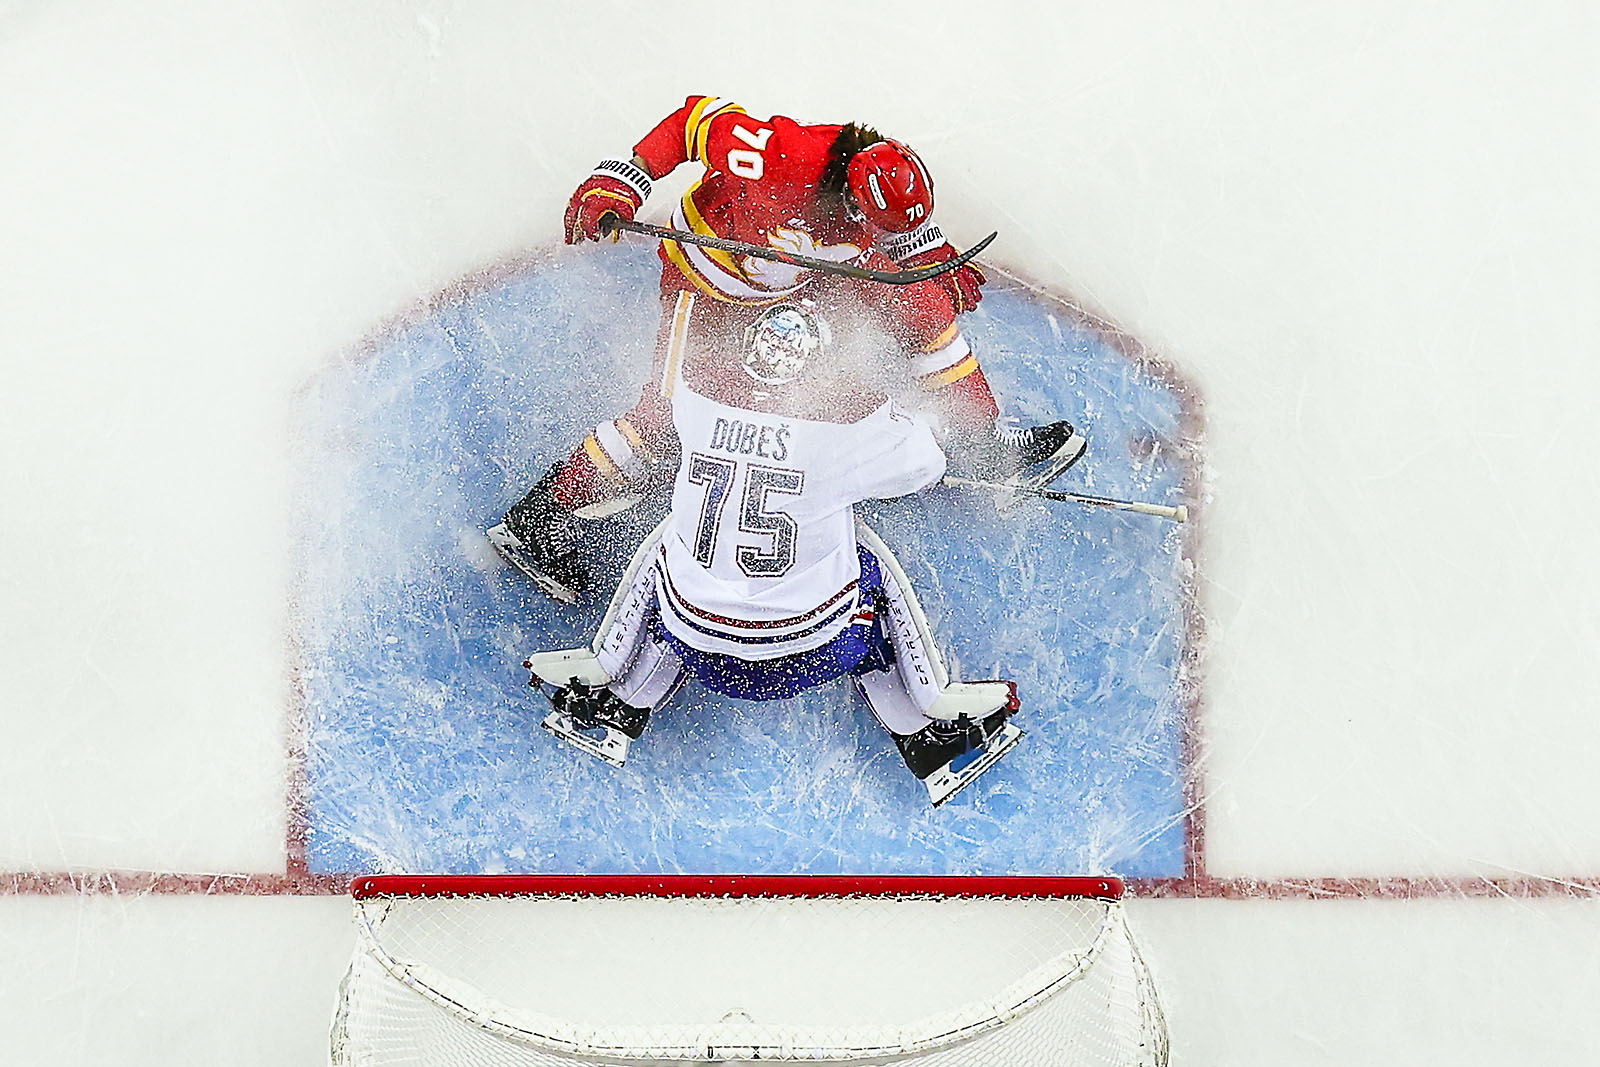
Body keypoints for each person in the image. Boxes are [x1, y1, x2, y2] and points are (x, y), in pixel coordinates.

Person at [489, 94, 1085, 603]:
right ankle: (539, 518)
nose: (889, 242)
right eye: (881, 231)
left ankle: (982, 442)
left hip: (799, 274)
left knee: (923, 312)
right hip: (709, 278)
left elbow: (902, 236)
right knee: (665, 420)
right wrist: (622, 178)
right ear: (849, 201)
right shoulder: (781, 153)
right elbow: (691, 120)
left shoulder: (871, 200)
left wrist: (926, 255)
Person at [523, 302, 1023, 806]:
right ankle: (931, 724)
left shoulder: (695, 398)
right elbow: (926, 464)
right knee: (865, 561)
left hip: (696, 654)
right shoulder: (845, 428)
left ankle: (614, 693)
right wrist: (911, 420)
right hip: (815, 655)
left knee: (673, 553)